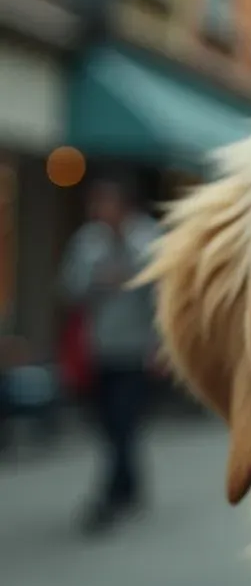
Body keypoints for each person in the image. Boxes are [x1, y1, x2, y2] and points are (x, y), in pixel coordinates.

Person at [61, 173, 160, 532]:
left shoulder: (147, 238)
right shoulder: (88, 243)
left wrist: (160, 345)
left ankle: (109, 496)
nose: (101, 211)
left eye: (107, 203)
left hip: (136, 349)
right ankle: (129, 487)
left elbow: (162, 294)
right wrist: (97, 277)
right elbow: (69, 288)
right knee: (109, 425)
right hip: (99, 348)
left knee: (123, 420)